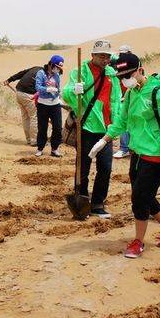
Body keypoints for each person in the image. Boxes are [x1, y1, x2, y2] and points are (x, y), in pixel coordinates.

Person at [88, 55, 160, 258]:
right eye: (122, 77)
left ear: (140, 70)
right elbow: (122, 121)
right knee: (144, 196)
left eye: (128, 75)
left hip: (156, 156)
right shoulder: (131, 94)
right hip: (137, 154)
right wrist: (104, 140)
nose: (125, 80)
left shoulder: (158, 93)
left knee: (139, 199)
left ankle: (138, 242)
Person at [62, 39, 122, 219]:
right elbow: (65, 93)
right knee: (83, 167)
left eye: (107, 56)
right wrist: (75, 90)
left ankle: (97, 203)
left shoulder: (111, 74)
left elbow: (116, 99)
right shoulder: (80, 72)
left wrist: (116, 124)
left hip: (106, 128)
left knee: (105, 168)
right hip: (87, 127)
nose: (105, 59)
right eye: (101, 56)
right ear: (93, 55)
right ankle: (82, 200)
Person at [3, 65, 43, 146]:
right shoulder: (45, 75)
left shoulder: (36, 68)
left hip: (19, 93)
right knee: (34, 116)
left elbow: (22, 73)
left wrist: (9, 80)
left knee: (25, 117)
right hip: (28, 95)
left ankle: (29, 140)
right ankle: (34, 141)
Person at [35, 55, 65, 157]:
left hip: (55, 105)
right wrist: (47, 89)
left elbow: (58, 88)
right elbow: (38, 87)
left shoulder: (57, 75)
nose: (57, 69)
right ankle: (40, 148)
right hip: (43, 104)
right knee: (42, 127)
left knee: (57, 127)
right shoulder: (41, 73)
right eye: (56, 67)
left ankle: (54, 149)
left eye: (59, 68)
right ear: (50, 64)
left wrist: (59, 95)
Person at [113, 44, 133, 159]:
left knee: (128, 123)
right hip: (121, 98)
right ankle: (126, 147)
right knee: (124, 122)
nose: (121, 56)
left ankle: (125, 148)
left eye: (123, 54)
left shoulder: (130, 64)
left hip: (129, 97)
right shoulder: (121, 64)